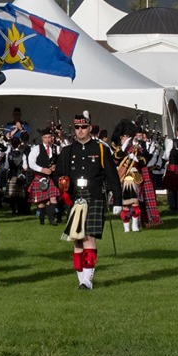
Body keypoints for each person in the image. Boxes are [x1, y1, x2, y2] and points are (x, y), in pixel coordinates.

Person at [53, 112, 123, 290]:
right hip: (75, 198)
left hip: (94, 196)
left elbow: (112, 176)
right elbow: (58, 174)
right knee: (77, 239)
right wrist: (62, 184)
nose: (80, 130)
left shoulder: (101, 149)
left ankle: (87, 279)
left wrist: (118, 201)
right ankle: (80, 277)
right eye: (77, 127)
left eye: (84, 127)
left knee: (89, 237)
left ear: (90, 127)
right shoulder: (68, 151)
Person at [27, 127, 62, 226]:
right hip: (40, 177)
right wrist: (42, 169)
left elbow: (61, 160)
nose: (48, 139)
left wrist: (56, 166)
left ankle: (52, 220)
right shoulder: (36, 149)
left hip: (52, 178)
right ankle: (41, 220)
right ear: (42, 138)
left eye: (49, 137)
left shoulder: (56, 148)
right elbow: (31, 163)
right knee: (41, 202)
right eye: (45, 137)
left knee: (53, 198)